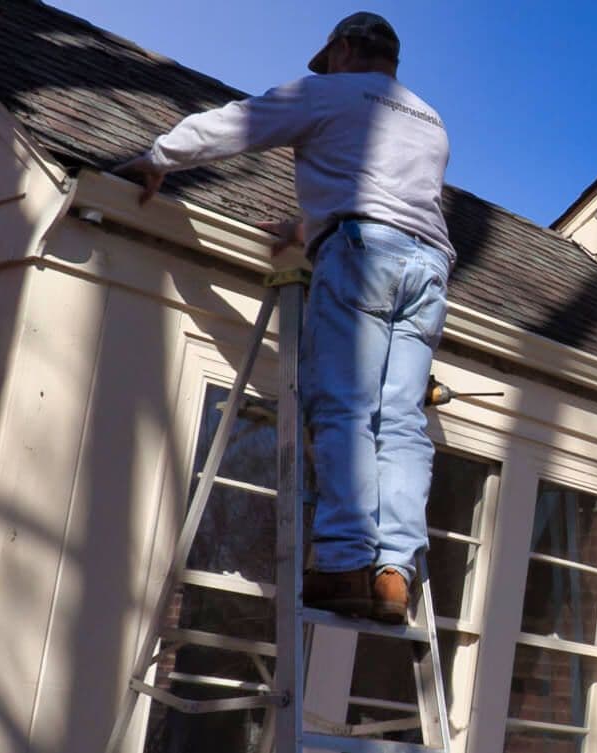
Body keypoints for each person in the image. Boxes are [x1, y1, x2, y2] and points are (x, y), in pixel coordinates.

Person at [117, 12, 454, 624]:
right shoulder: (429, 120)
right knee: (402, 423)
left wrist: (160, 155)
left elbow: (243, 122)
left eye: (330, 60)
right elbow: (390, 194)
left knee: (345, 406)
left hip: (363, 258)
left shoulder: (331, 92)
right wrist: (306, 227)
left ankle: (346, 563)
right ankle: (393, 575)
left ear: (345, 48)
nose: (328, 71)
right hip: (428, 271)